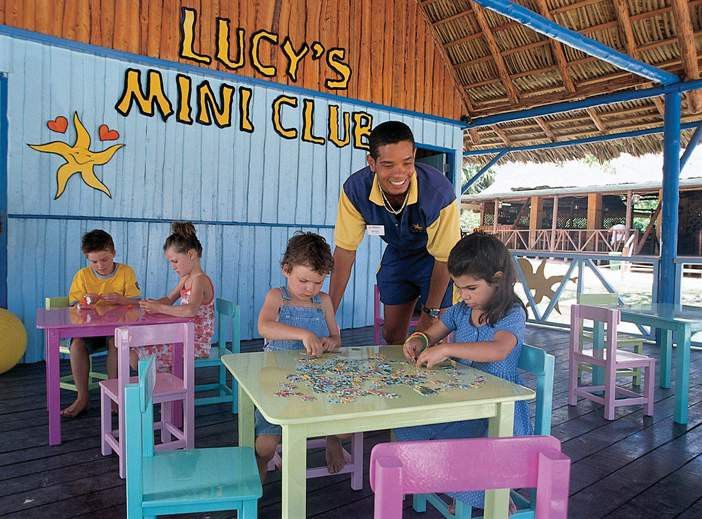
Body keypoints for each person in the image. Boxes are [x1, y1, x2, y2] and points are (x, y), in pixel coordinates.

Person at [398, 232, 531, 510]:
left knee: (451, 444)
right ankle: (459, 488)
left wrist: (448, 350)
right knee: (409, 428)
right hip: (464, 401)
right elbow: (431, 333)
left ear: (497, 279)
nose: (464, 296)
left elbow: (498, 349)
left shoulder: (511, 314)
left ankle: (489, 496)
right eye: (459, 288)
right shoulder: (460, 311)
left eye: (471, 288)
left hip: (496, 414)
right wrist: (418, 340)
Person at [329, 120, 460, 344]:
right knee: (392, 335)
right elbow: (344, 252)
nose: (399, 173)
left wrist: (429, 314)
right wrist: (328, 315)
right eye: (388, 165)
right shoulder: (354, 190)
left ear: (415, 155)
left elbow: (445, 258)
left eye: (407, 163)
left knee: (432, 337)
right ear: (372, 163)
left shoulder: (439, 192)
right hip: (398, 253)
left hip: (438, 261)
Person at [255, 232, 344, 481]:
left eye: (318, 282)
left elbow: (337, 338)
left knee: (346, 429)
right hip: (276, 383)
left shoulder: (323, 301)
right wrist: (303, 334)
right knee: (264, 446)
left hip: (316, 382)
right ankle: (262, 462)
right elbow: (264, 327)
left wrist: (330, 342)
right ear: (286, 269)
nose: (310, 289)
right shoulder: (277, 296)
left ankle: (333, 439)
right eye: (303, 280)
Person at [64, 229, 141, 417]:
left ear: (113, 253)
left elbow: (136, 302)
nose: (100, 265)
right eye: (94, 261)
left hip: (117, 330)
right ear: (87, 258)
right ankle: (82, 397)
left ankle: (114, 395)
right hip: (89, 330)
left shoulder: (125, 272)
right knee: (76, 345)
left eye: (105, 259)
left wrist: (120, 299)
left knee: (116, 343)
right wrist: (84, 302)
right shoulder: (82, 276)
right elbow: (73, 306)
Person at [138, 222, 215, 372]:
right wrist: (149, 304)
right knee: (140, 346)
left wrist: (159, 308)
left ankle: (170, 386)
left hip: (194, 343)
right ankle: (166, 382)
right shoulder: (186, 279)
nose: (173, 266)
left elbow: (190, 310)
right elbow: (169, 299)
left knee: (145, 351)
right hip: (181, 335)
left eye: (175, 261)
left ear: (191, 255)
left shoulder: (200, 280)